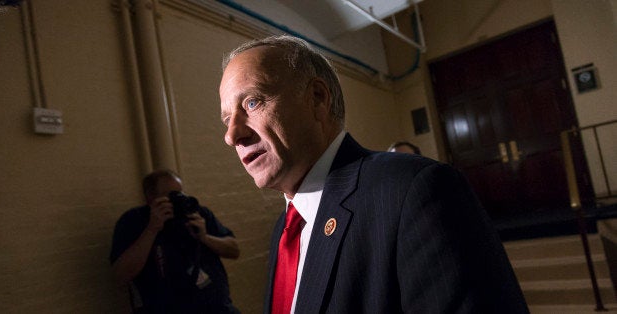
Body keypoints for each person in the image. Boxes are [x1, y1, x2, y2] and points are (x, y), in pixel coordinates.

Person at [219, 35, 528, 314]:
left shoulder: (414, 191)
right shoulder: (285, 230)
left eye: (252, 102)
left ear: (317, 98)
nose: (232, 136)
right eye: (227, 118)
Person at [110, 169, 240, 313]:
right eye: (171, 195)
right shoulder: (135, 221)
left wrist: (205, 237)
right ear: (151, 198)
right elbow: (121, 275)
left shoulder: (197, 213)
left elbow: (234, 250)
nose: (178, 199)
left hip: (217, 308)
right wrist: (152, 229)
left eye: (180, 193)